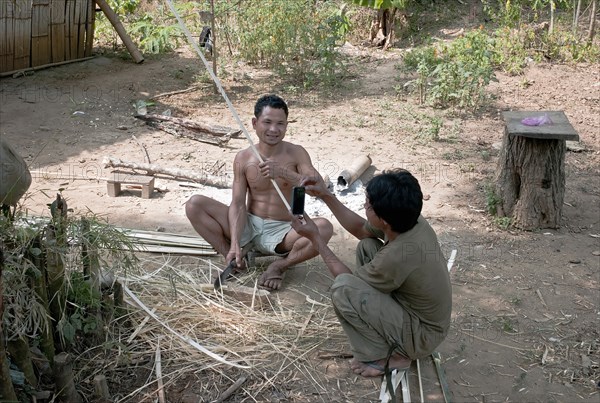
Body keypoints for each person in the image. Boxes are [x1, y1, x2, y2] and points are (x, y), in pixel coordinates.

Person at [291, 169, 452, 377]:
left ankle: (392, 356)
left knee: (342, 290)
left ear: (383, 219)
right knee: (367, 245)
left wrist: (316, 239)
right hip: (424, 321)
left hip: (421, 336)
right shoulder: (410, 219)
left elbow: (346, 282)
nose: (365, 206)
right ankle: (391, 339)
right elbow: (362, 230)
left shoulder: (397, 254)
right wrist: (325, 195)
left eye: (368, 205)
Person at [185, 94, 333, 290]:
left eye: (280, 123)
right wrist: (234, 243)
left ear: (287, 125)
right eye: (267, 122)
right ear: (255, 123)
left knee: (324, 228)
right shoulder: (244, 157)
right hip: (249, 224)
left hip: (285, 230)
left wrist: (282, 172)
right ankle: (236, 258)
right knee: (195, 204)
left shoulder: (297, 153)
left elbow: (318, 188)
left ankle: (279, 266)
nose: (274, 129)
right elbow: (237, 203)